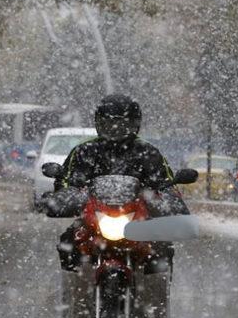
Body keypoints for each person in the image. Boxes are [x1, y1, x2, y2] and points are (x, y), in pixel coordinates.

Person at [54, 94, 186, 271]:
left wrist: (171, 202)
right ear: (98, 123)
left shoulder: (148, 152)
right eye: (109, 123)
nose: (115, 129)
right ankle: (74, 293)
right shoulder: (84, 151)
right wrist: (61, 198)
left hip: (138, 219)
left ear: (135, 124)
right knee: (69, 243)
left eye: (122, 124)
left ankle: (156, 294)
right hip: (94, 218)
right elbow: (67, 181)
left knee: (161, 246)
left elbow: (166, 184)